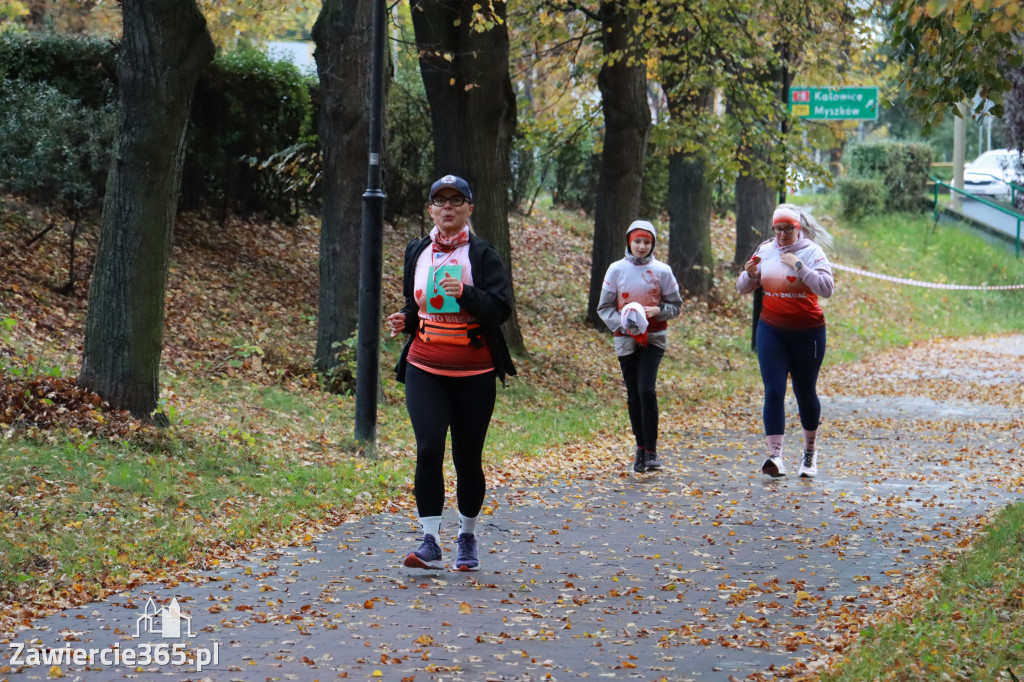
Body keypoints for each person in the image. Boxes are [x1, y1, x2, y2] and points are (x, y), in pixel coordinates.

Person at [387, 174, 516, 572]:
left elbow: (500, 309)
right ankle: (429, 541)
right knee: (428, 449)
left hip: (474, 369)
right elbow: (417, 303)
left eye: (456, 201)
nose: (447, 208)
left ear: (469, 209)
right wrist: (404, 318)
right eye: (440, 201)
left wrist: (467, 293)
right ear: (430, 209)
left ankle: (467, 537)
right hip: (425, 364)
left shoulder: (482, 255)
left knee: (467, 456)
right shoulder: (417, 251)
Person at [736, 204, 835, 478]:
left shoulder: (812, 252)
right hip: (772, 331)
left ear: (798, 228)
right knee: (774, 390)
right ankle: (776, 457)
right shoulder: (765, 249)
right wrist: (750, 275)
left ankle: (809, 453)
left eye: (787, 229)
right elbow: (742, 287)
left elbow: (827, 289)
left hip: (808, 332)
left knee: (805, 393)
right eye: (777, 229)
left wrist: (800, 267)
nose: (781, 235)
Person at [596, 220, 682, 473]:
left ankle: (652, 451)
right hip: (625, 340)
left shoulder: (662, 271)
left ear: (653, 244)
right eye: (638, 241)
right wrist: (625, 325)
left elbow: (676, 306)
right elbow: (604, 308)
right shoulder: (615, 270)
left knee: (647, 390)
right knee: (634, 394)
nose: (642, 246)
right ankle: (640, 449)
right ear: (629, 242)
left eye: (647, 242)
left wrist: (659, 310)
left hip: (654, 338)